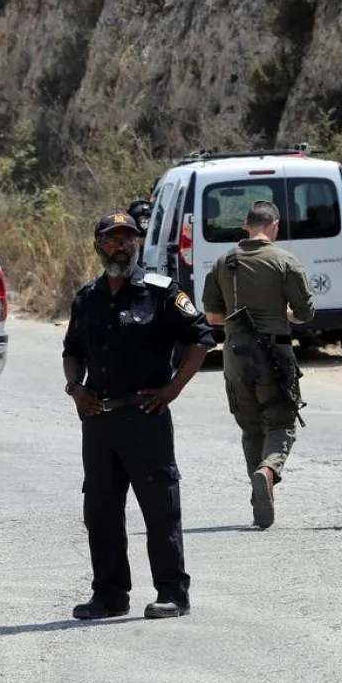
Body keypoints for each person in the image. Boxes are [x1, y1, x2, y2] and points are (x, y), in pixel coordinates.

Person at [62, 210, 215, 620]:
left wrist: (172, 389)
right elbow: (72, 351)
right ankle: (109, 594)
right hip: (99, 422)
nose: (121, 244)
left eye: (128, 238)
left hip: (145, 417)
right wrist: (76, 390)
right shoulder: (87, 298)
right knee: (101, 510)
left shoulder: (160, 292)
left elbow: (201, 339)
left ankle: (172, 592)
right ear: (99, 245)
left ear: (138, 244)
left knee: (159, 507)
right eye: (113, 238)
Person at [201, 200, 315, 529]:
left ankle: (260, 497)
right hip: (276, 354)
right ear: (274, 226)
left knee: (251, 428)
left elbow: (211, 316)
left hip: (236, 355)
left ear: (247, 227)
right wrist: (282, 315)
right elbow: (305, 313)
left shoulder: (223, 262)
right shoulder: (284, 261)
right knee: (281, 425)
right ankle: (268, 472)